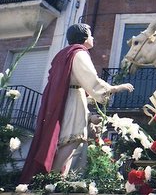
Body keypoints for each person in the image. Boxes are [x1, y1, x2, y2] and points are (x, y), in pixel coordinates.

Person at [20, 23, 134, 183]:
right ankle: (60, 182)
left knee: (69, 141)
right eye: (91, 34)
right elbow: (91, 80)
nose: (93, 38)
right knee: (73, 141)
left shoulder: (63, 54)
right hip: (73, 101)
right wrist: (115, 88)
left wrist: (88, 116)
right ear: (84, 37)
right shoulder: (79, 53)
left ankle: (56, 180)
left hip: (69, 100)